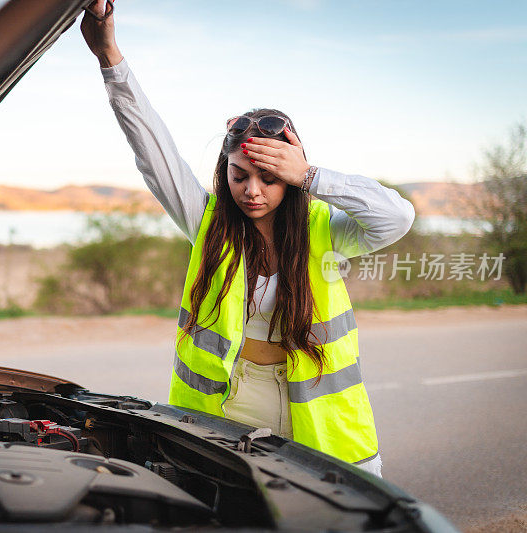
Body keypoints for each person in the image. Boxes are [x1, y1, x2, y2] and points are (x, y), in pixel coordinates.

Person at [81, 1, 414, 478]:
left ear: (291, 178)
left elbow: (396, 218)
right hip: (233, 404)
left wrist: (309, 174)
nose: (251, 191)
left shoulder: (325, 229)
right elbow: (153, 151)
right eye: (239, 175)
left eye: (269, 177)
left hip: (320, 412)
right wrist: (109, 57)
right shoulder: (208, 220)